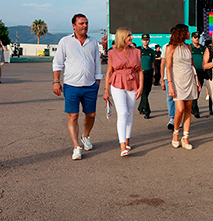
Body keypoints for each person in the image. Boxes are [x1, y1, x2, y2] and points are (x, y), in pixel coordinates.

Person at [52, 14, 102, 160]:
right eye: (81, 23)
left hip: (90, 85)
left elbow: (97, 62)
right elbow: (58, 63)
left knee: (91, 115)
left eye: (86, 23)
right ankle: (76, 147)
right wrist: (56, 81)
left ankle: (85, 136)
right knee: (73, 116)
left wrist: (98, 82)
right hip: (71, 85)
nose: (85, 26)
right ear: (74, 25)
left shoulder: (93, 42)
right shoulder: (65, 42)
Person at [103, 28, 144, 157]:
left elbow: (140, 71)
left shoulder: (137, 52)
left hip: (133, 83)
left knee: (130, 113)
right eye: (129, 36)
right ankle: (122, 146)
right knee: (122, 113)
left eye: (131, 35)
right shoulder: (112, 53)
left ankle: (127, 141)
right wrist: (106, 90)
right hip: (117, 83)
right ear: (122, 38)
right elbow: (109, 72)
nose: (131, 38)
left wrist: (141, 86)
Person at [164, 24, 201, 150]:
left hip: (190, 79)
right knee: (179, 109)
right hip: (177, 81)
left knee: (188, 108)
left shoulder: (188, 47)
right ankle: (175, 133)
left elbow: (192, 64)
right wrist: (170, 84)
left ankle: (185, 137)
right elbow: (168, 67)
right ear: (181, 33)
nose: (189, 34)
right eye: (187, 32)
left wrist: (197, 81)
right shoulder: (170, 47)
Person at [161, 27, 177, 131]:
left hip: (180, 77)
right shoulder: (165, 47)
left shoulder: (183, 47)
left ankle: (178, 118)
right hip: (168, 77)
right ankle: (172, 118)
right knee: (170, 97)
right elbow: (163, 64)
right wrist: (162, 79)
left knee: (179, 98)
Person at [137, 34, 154, 119]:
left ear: (149, 40)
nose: (145, 41)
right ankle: (147, 111)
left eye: (147, 39)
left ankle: (140, 107)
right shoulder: (138, 50)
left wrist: (153, 75)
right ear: (141, 41)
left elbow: (153, 64)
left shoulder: (151, 51)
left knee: (147, 92)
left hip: (149, 73)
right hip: (140, 74)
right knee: (143, 92)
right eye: (144, 40)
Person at [190, 31, 205, 118]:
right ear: (192, 38)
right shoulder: (189, 48)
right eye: (195, 37)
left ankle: (193, 106)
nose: (197, 39)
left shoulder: (203, 48)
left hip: (201, 72)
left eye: (198, 37)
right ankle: (195, 109)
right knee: (194, 90)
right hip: (192, 72)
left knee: (198, 90)